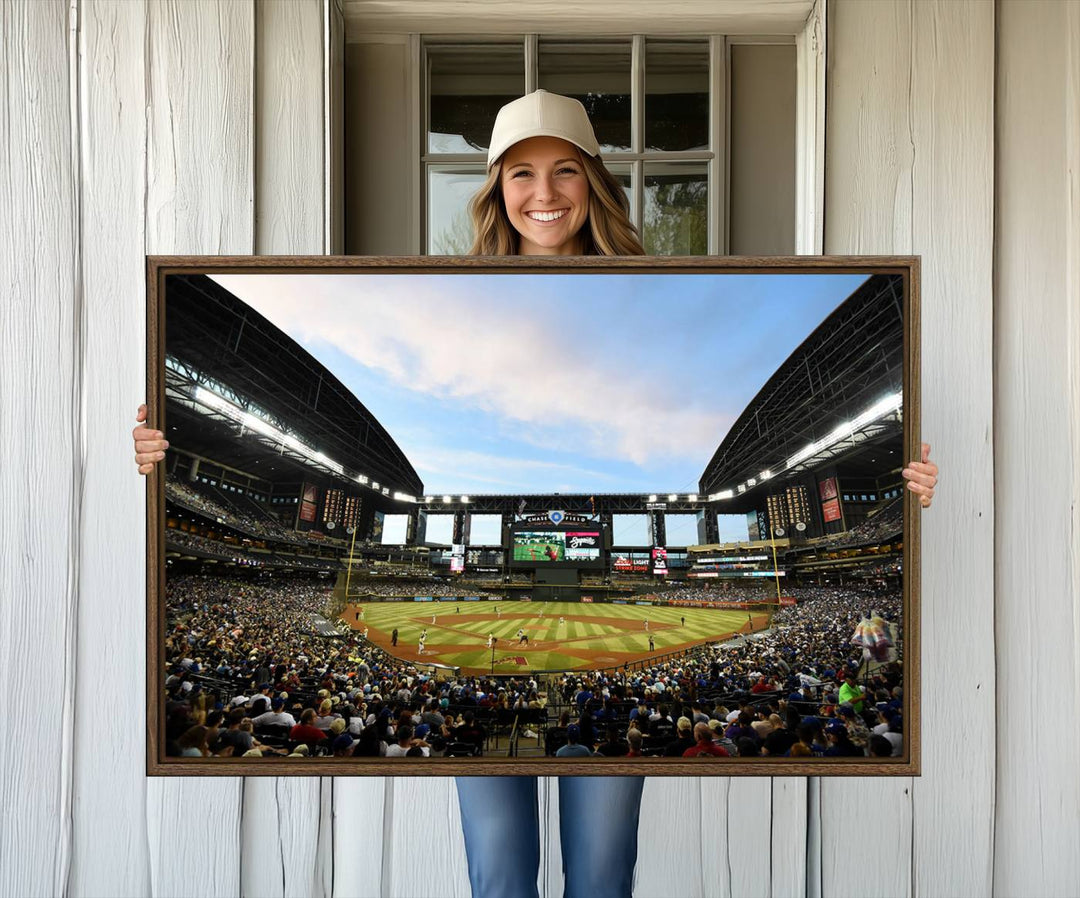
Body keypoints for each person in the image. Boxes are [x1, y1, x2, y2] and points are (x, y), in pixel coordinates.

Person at [132, 88, 939, 898]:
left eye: (564, 171)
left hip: (576, 727)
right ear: (495, 189)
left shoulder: (651, 293)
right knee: (500, 878)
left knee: (600, 877)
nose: (543, 193)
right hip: (489, 724)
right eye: (520, 174)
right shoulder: (448, 294)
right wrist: (166, 448)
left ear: (593, 181)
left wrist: (907, 485)